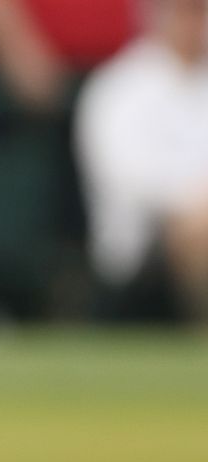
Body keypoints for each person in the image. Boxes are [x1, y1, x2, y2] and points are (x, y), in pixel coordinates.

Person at [75, 0, 208, 322]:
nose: (196, 22)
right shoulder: (118, 86)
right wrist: (193, 202)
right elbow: (123, 177)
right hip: (141, 244)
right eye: (188, 10)